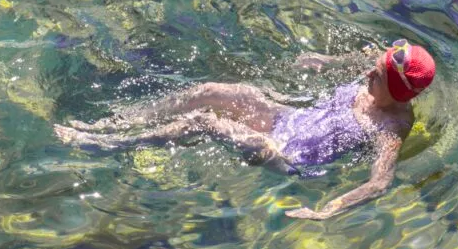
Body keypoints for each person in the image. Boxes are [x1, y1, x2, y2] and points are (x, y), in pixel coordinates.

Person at [54, 40, 437, 220]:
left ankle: (99, 144)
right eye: (376, 66)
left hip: (288, 155)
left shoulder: (393, 127)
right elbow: (363, 59)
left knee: (204, 122)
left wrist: (328, 211)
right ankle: (119, 120)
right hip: (286, 120)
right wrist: (325, 60)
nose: (368, 72)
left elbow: (379, 183)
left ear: (398, 90)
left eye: (379, 75)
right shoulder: (379, 76)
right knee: (212, 92)